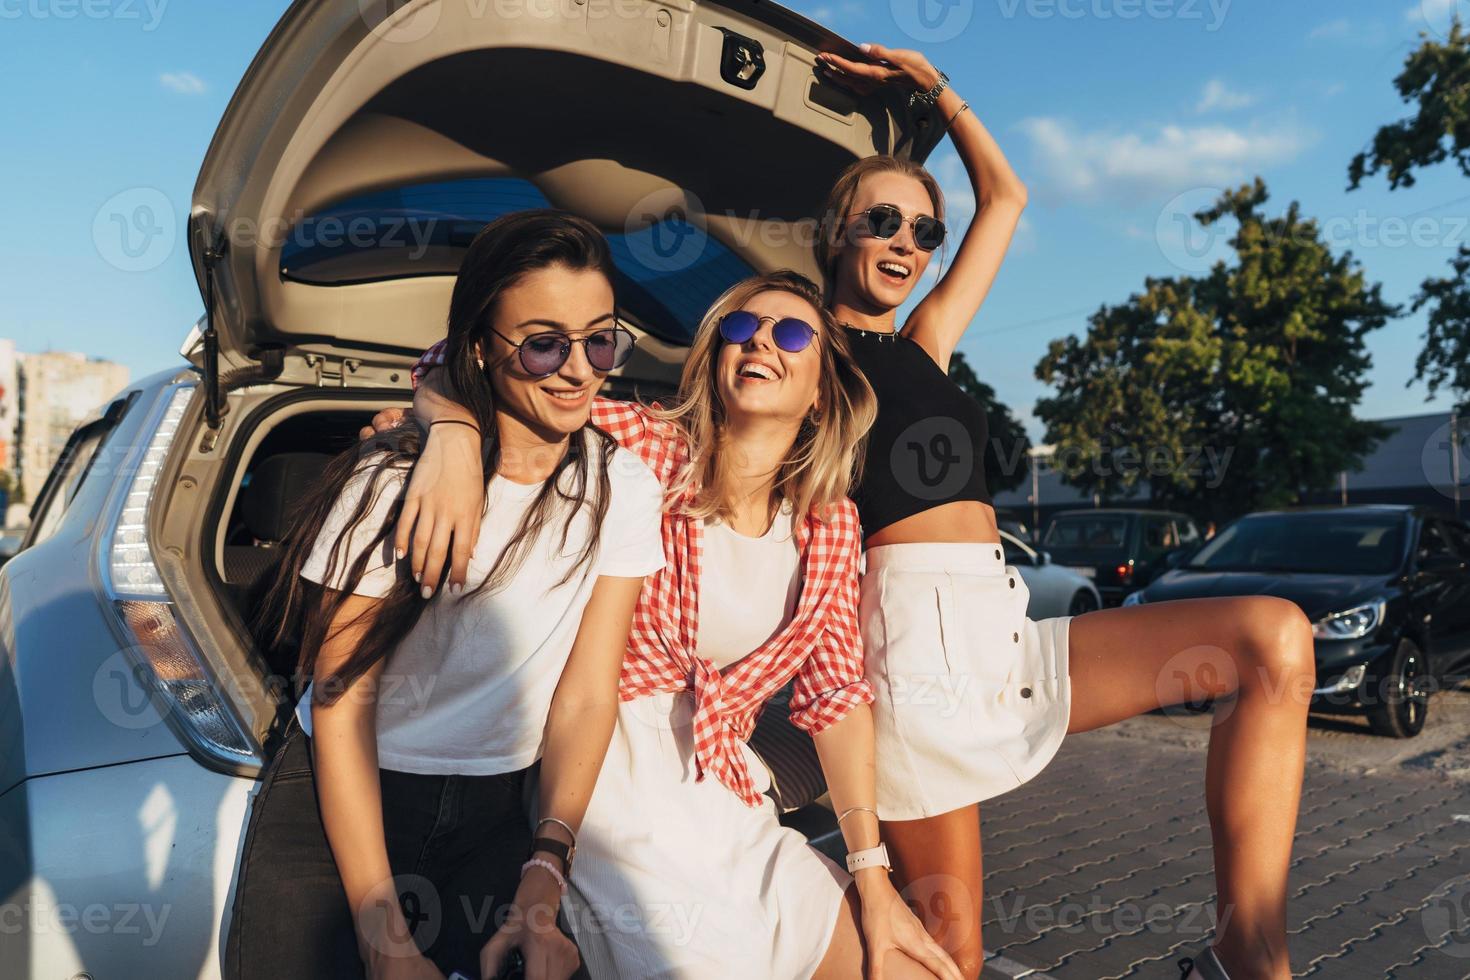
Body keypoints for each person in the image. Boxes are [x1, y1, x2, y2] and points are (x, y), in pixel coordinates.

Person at [387, 42, 1316, 979]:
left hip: (1001, 626)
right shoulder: (788, 353)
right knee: (944, 954)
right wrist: (451, 427)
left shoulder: (926, 344)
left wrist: (936, 90)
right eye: (883, 221)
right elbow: (551, 383)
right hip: (908, 657)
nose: (908, 244)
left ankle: (1247, 950)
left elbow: (1009, 202)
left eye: (924, 232)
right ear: (836, 233)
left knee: (1272, 640)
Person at [390, 270, 962, 979]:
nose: (759, 343)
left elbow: (837, 697)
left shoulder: (830, 523)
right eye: (739, 328)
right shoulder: (648, 444)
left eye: (789, 333)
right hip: (607, 774)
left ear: (821, 392)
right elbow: (462, 367)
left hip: (725, 787)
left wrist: (873, 877)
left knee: (908, 968)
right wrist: (448, 432)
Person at [224, 210, 666, 980]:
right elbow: (341, 701)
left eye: (600, 340)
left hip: (496, 811)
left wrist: (545, 870)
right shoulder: (389, 480)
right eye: (543, 343)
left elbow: (588, 695)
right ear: (478, 350)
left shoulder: (623, 485)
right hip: (347, 799)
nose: (578, 369)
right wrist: (384, 939)